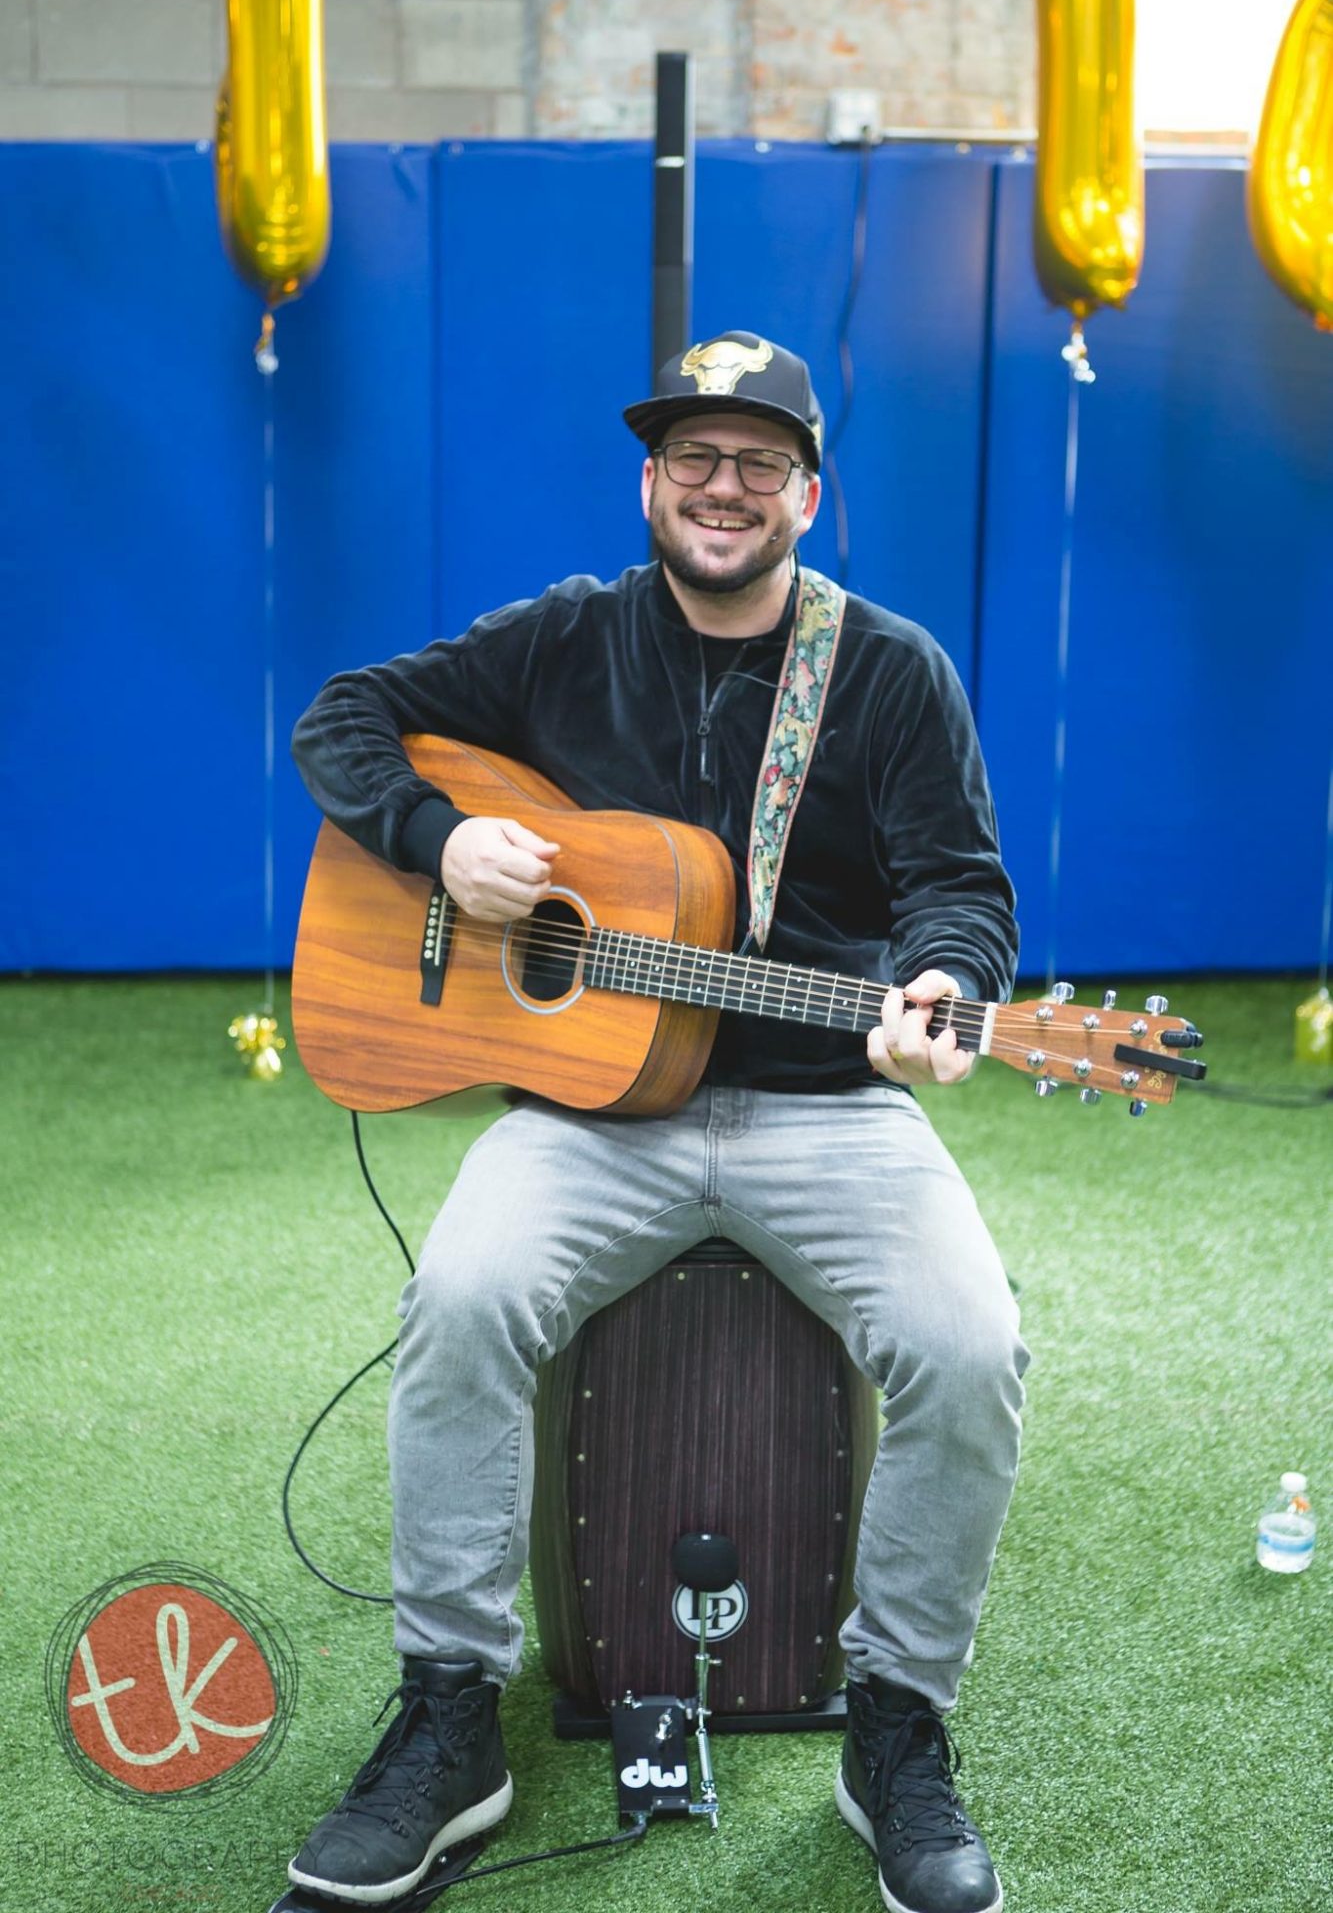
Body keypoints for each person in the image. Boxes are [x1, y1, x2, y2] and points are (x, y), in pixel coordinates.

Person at [287, 331, 1027, 1913]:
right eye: (694, 455)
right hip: (590, 1113)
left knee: (969, 1346)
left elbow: (958, 887)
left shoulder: (887, 669)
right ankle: (449, 1715)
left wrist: (943, 984)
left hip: (828, 1108)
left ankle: (894, 1727)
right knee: (459, 1299)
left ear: (806, 495)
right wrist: (437, 838)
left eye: (759, 461)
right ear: (649, 481)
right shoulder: (562, 635)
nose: (722, 487)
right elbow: (342, 717)